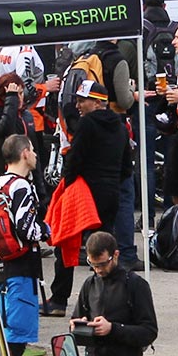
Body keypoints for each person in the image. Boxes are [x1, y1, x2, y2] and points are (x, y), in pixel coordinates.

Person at [50, 78, 130, 314]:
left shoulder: (87, 125)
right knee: (105, 245)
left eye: (82, 100)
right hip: (111, 192)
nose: (77, 105)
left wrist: (67, 182)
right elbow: (127, 166)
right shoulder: (120, 125)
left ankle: (58, 300)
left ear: (97, 103)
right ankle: (110, 301)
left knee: (66, 243)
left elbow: (75, 159)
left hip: (84, 194)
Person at [71, 230, 160, 356]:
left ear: (116, 255)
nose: (98, 270)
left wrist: (112, 329)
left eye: (103, 264)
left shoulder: (135, 285)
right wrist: (79, 326)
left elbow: (149, 332)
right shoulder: (89, 284)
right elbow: (75, 319)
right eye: (93, 264)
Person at [0, 135, 48, 356]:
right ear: (24, 153)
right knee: (17, 339)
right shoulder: (21, 186)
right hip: (23, 268)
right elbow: (26, 228)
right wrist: (45, 231)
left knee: (6, 333)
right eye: (32, 150)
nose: (34, 155)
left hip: (1, 267)